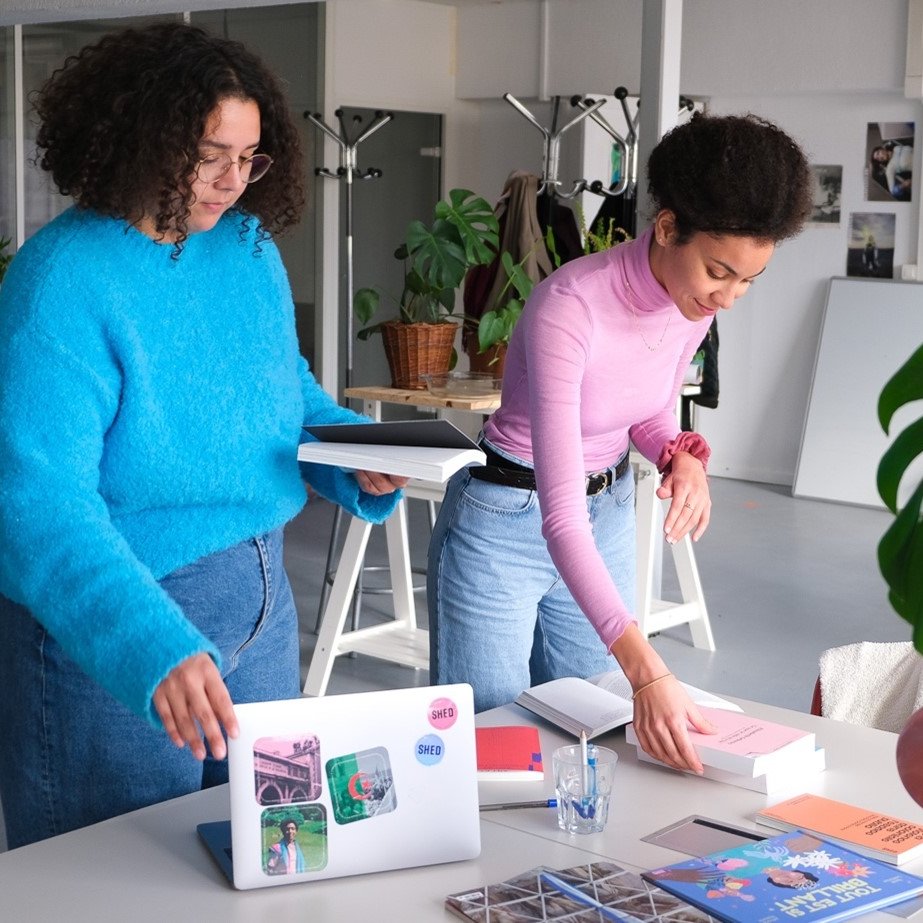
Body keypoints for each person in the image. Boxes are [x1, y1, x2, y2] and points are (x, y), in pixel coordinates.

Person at [0, 23, 406, 850]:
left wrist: (346, 453)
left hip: (260, 603)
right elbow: (34, 504)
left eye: (249, 156)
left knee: (268, 854)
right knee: (117, 883)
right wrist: (149, 641)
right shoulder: (60, 280)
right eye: (209, 153)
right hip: (119, 618)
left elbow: (279, 392)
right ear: (141, 138)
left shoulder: (248, 248)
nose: (232, 180)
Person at [428, 112, 812, 774]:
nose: (729, 296)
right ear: (666, 228)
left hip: (604, 514)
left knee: (594, 735)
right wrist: (648, 667)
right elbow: (558, 517)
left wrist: (680, 454)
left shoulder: (689, 306)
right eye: (720, 271)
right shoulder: (568, 308)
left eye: (748, 280)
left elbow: (645, 411)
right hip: (507, 523)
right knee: (489, 747)